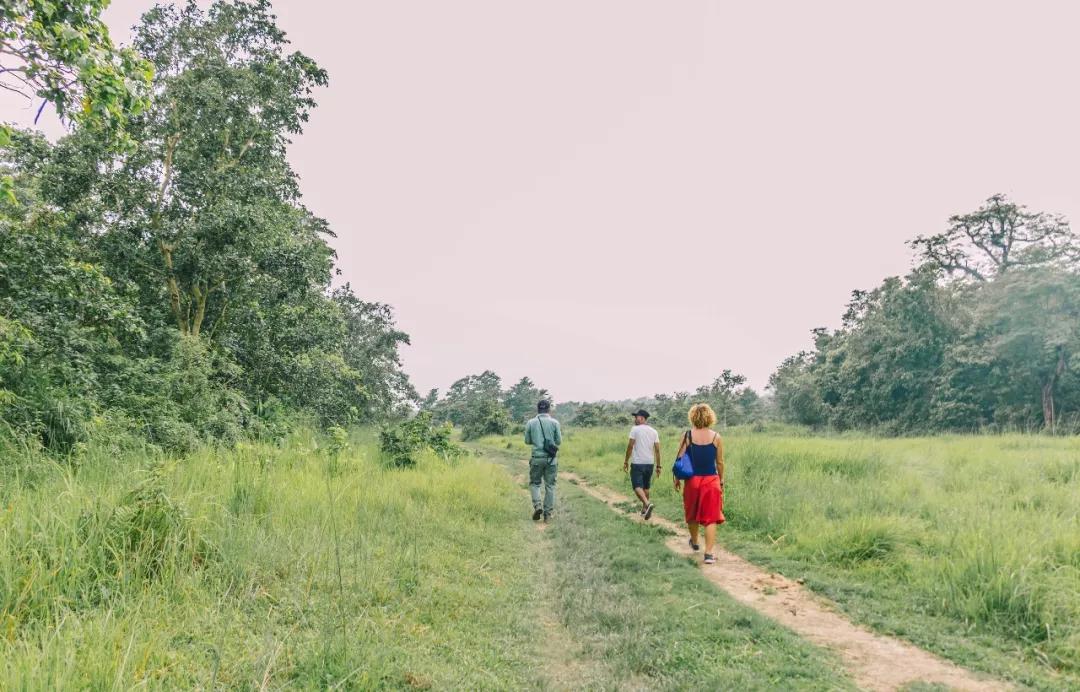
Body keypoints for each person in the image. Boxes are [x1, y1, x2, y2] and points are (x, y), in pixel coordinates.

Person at [673, 403, 725, 565]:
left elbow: (679, 459)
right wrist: (721, 480)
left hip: (692, 480)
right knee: (711, 518)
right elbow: (720, 462)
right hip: (711, 481)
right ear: (710, 417)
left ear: (693, 417)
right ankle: (708, 554)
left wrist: (676, 478)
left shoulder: (687, 436)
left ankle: (695, 542)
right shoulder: (717, 437)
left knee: (692, 513)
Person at [524, 399, 562, 522]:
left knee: (535, 483)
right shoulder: (555, 423)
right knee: (550, 486)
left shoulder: (531, 422)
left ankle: (538, 506)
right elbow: (558, 441)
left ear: (538, 409)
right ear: (549, 409)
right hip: (551, 460)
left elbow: (527, 441)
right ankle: (548, 515)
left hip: (536, 458)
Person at [624, 408, 661, 519]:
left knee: (637, 486)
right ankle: (645, 510)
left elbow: (630, 446)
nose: (635, 419)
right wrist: (658, 466)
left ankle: (647, 503)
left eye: (636, 417)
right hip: (650, 463)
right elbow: (657, 450)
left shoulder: (635, 429)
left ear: (642, 418)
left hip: (637, 463)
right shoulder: (654, 431)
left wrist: (626, 461)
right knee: (646, 487)